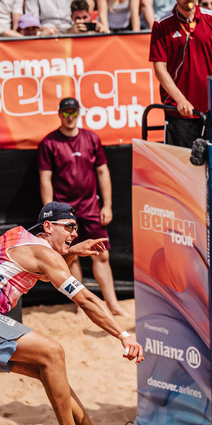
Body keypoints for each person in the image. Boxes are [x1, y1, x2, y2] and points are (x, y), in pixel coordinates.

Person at [0, 202, 146, 425]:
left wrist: (73, 251)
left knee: (47, 371)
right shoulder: (41, 253)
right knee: (53, 352)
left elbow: (47, 272)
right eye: (69, 227)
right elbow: (84, 300)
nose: (74, 233)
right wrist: (123, 335)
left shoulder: (22, 241)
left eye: (77, 228)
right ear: (48, 226)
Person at [38, 99, 126, 320]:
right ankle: (81, 305)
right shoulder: (49, 143)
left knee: (101, 256)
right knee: (71, 257)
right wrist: (49, 213)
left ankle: (113, 304)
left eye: (73, 112)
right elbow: (45, 179)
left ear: (78, 113)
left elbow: (103, 172)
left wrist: (107, 205)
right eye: (66, 112)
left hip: (91, 207)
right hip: (64, 213)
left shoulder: (91, 138)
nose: (69, 116)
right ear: (59, 114)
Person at [148, 0, 212, 147]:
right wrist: (180, 99)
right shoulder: (161, 25)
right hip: (180, 113)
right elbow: (159, 69)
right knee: (183, 169)